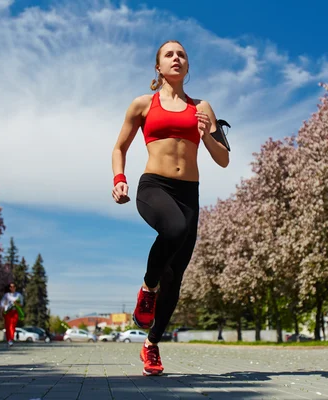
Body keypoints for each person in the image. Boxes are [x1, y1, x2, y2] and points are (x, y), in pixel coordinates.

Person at [111, 40, 229, 376]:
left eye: (182, 55)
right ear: (158, 67)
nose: (177, 58)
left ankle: (151, 345)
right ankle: (148, 288)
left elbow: (223, 159)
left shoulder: (202, 108)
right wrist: (119, 177)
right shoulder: (143, 105)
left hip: (188, 193)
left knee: (175, 279)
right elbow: (119, 147)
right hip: (155, 187)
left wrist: (207, 135)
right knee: (174, 229)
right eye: (169, 54)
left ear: (187, 67)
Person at [0, 282, 24, 347]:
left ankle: (11, 339)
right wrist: (1, 313)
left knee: (12, 326)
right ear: (9, 288)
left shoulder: (18, 295)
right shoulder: (6, 295)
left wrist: (16, 303)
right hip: (7, 312)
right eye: (11, 287)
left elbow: (21, 304)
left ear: (15, 288)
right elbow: (2, 304)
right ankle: (9, 339)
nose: (12, 288)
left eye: (13, 287)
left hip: (15, 312)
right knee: (8, 326)